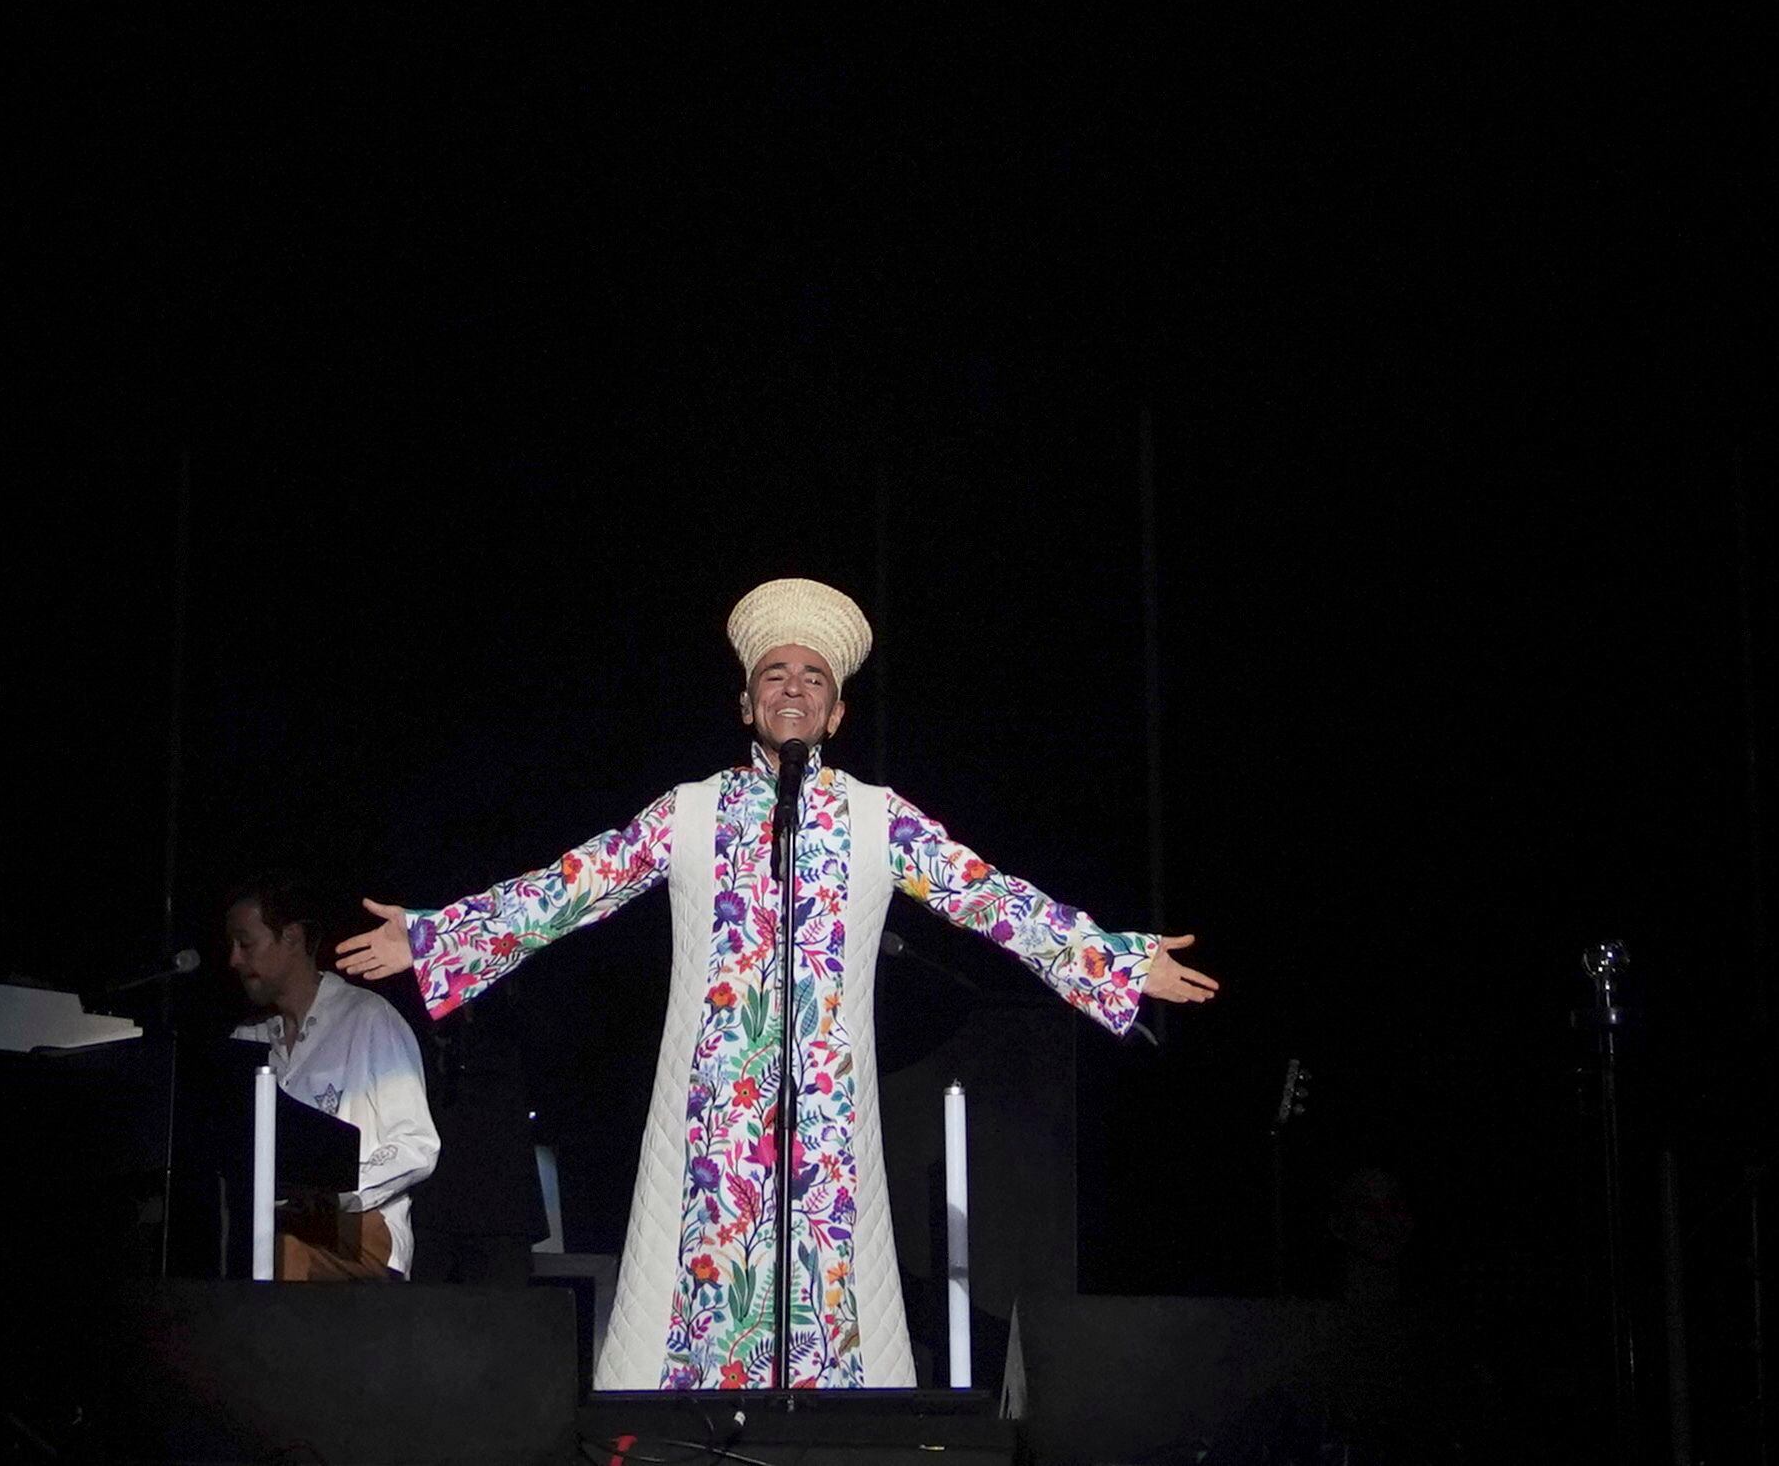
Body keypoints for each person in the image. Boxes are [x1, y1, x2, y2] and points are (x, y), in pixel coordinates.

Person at [336, 577, 1218, 1390]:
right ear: (744, 701)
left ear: (835, 712)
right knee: (690, 1311)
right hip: (708, 1118)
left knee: (833, 1307)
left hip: (829, 1121)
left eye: (811, 677)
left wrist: (1122, 962)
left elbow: (994, 900)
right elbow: (569, 888)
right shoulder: (685, 812)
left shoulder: (879, 819)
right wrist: (434, 936)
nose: (791, 687)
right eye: (773, 673)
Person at [223, 874, 440, 1281]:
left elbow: (417, 1144)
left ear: (291, 937)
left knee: (282, 1248)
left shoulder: (369, 1019)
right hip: (268, 1227)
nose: (234, 959)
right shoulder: (245, 1038)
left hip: (359, 1227)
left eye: (245, 943)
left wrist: (337, 1194)